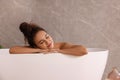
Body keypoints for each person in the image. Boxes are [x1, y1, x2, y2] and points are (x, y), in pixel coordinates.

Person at [9, 22, 87, 56]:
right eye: (42, 42)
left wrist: (58, 51)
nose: (48, 41)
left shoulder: (62, 45)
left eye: (47, 37)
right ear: (36, 46)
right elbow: (12, 50)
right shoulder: (36, 49)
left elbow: (83, 50)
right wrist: (40, 50)